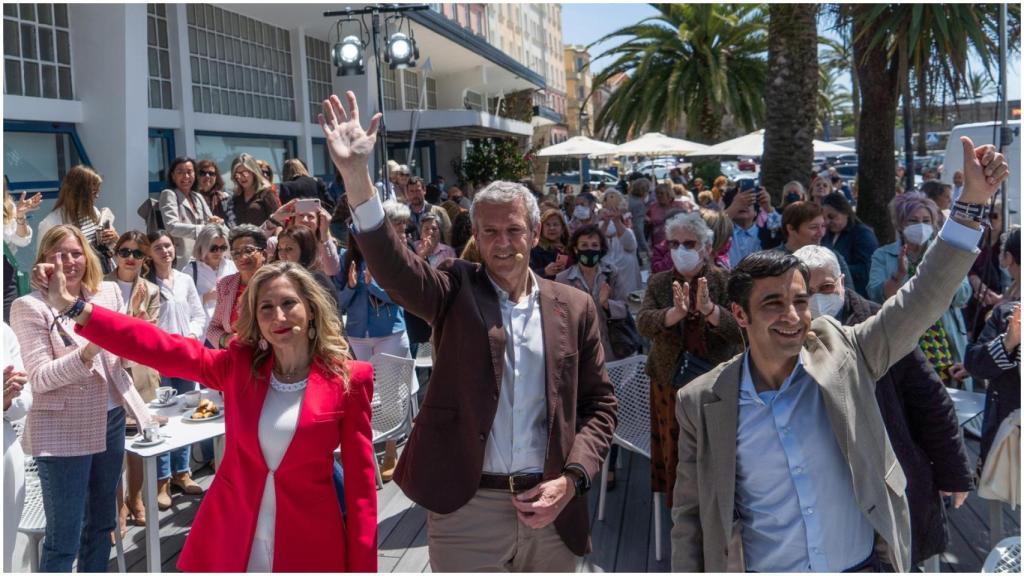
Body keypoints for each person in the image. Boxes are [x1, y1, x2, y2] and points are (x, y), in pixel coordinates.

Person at [669, 136, 1008, 572]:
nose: (793, 316)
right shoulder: (701, 401)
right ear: (739, 313)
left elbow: (922, 298)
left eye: (801, 300)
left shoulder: (843, 350)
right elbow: (690, 518)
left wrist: (971, 205)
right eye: (773, 304)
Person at [320, 91, 616, 571]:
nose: (503, 243)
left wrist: (574, 478)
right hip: (468, 507)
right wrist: (356, 176)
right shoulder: (456, 287)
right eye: (490, 232)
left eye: (514, 231)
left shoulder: (574, 306)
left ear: (535, 235)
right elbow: (396, 269)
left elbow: (599, 405)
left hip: (553, 504)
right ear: (475, 235)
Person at [32, 256, 377, 572]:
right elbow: (159, 346)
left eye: (289, 304)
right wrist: (75, 307)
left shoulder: (349, 379)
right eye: (266, 308)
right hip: (235, 539)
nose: (279, 317)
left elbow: (361, 491)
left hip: (309, 543)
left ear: (311, 308)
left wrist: (364, 567)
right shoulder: (239, 367)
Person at [794, 245, 974, 567]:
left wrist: (953, 472)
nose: (818, 299)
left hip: (890, 471)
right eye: (807, 293)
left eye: (826, 288)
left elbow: (929, 397)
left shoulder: (876, 322)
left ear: (842, 281)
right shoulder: (789, 334)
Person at [10, 225, 152, 572]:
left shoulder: (106, 294)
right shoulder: (29, 306)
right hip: (61, 431)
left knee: (103, 525)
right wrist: (88, 353)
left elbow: (120, 360)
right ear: (43, 259)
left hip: (111, 419)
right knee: (64, 540)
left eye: (75, 252)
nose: (69, 260)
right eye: (59, 253)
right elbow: (40, 378)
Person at [637, 212, 742, 508]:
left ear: (706, 247)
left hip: (716, 385)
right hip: (670, 384)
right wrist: (674, 315)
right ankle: (681, 514)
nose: (680, 250)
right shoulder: (659, 283)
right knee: (677, 452)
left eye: (688, 243)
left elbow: (740, 331)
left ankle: (718, 509)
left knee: (716, 451)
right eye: (674, 243)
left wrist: (711, 311)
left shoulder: (724, 281)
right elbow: (643, 322)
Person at [868, 193, 973, 389]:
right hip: (903, 345)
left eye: (926, 220)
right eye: (913, 220)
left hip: (943, 346)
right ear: (900, 224)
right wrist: (898, 275)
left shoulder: (945, 253)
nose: (921, 225)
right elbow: (876, 297)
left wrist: (944, 270)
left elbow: (963, 295)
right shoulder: (883, 255)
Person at [146, 230, 208, 507]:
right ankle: (162, 479)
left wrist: (193, 336)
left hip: (185, 354)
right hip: (158, 357)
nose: (165, 251)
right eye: (158, 247)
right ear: (150, 252)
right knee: (161, 416)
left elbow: (199, 313)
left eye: (168, 245)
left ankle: (182, 473)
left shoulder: (184, 279)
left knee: (185, 413)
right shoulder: (146, 284)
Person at [107, 231, 162, 531]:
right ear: (115, 254)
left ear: (145, 259)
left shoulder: (152, 290)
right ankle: (117, 506)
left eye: (138, 253)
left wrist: (135, 319)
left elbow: (146, 337)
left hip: (141, 372)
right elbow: (106, 329)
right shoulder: (99, 285)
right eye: (124, 251)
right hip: (111, 371)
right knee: (113, 442)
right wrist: (134, 316)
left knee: (141, 437)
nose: (130, 257)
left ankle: (136, 497)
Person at [964, 227, 1020, 466]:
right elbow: (975, 363)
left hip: (1008, 433)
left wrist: (1007, 344)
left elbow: (976, 363)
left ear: (1007, 258)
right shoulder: (1007, 309)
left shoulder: (1007, 312)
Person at [555, 224, 630, 362]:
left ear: (601, 248)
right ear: (576, 249)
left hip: (611, 347)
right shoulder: (563, 279)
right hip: (579, 349)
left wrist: (606, 304)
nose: (590, 249)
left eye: (594, 245)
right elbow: (558, 317)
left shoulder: (612, 273)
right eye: (584, 245)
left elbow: (624, 308)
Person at [38, 165, 120, 273]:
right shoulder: (51, 223)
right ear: (79, 193)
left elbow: (111, 249)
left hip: (100, 275)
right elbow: (43, 265)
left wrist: (114, 238)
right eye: (94, 192)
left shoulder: (94, 212)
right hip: (73, 281)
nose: (97, 196)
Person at [207, 225, 268, 349]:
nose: (242, 257)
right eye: (236, 253)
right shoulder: (225, 284)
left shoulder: (275, 283)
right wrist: (229, 340)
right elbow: (213, 328)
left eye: (249, 250)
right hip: (236, 356)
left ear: (264, 254)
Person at [3, 321, 31, 572]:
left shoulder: (4, 331)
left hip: (6, 455)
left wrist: (7, 400)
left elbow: (25, 401)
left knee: (5, 556)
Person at [159, 157, 221, 269]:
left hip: (203, 258)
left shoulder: (197, 196)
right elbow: (171, 227)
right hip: (182, 260)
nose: (186, 176)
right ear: (173, 176)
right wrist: (202, 229)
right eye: (180, 172)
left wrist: (216, 222)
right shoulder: (169, 194)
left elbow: (210, 221)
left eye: (189, 172)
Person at [182, 223, 236, 336]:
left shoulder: (231, 266)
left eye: (223, 248)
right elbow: (183, 304)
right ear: (202, 246)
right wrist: (206, 297)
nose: (219, 252)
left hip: (229, 330)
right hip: (203, 332)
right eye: (213, 248)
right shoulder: (190, 270)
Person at [821, 192, 879, 296]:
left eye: (832, 216)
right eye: (824, 218)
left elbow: (867, 270)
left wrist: (835, 268)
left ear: (846, 212)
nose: (827, 222)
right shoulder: (827, 234)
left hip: (858, 294)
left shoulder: (863, 234)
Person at [779, 200, 853, 281]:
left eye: (823, 226)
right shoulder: (773, 261)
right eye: (813, 227)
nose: (821, 233)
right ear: (791, 228)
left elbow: (848, 292)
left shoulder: (833, 257)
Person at [275, 224, 339, 308]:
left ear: (305, 250)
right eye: (280, 249)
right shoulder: (280, 276)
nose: (282, 255)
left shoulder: (317, 280)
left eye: (289, 249)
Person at [4, 184, 42, 321]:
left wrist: (19, 216)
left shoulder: (8, 208)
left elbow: (22, 240)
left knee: (9, 326)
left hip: (6, 278)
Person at [724, 184, 782, 265]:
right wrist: (735, 206)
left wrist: (768, 208)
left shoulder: (765, 233)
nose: (744, 206)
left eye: (749, 202)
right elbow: (713, 227)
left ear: (756, 212)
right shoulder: (724, 233)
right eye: (740, 202)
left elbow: (783, 229)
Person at [600, 191, 643, 293]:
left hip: (627, 282)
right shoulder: (600, 225)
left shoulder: (626, 228)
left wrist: (616, 220)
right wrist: (605, 222)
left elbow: (630, 244)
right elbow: (597, 241)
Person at [231, 153, 281, 228]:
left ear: (254, 172)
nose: (242, 177)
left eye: (246, 172)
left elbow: (279, 222)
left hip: (263, 238)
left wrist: (276, 239)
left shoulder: (266, 193)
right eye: (238, 174)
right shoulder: (236, 197)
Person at [405, 176, 452, 243]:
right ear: (407, 193)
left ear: (424, 190)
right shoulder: (402, 215)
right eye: (411, 191)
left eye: (418, 191)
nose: (415, 194)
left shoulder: (439, 212)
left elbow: (448, 237)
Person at [530, 209, 570, 280]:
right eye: (547, 225)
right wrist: (545, 271)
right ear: (541, 229)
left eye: (555, 224)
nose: (552, 228)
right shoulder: (535, 250)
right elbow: (527, 275)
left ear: (562, 228)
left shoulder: (570, 248)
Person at [646, 182, 687, 248]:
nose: (659, 196)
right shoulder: (653, 206)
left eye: (661, 193)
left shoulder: (678, 205)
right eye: (657, 193)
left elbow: (686, 221)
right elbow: (646, 219)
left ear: (669, 194)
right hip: (658, 242)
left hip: (676, 241)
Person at [196, 159, 235, 227]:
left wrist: (222, 222)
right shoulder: (190, 197)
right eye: (202, 173)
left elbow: (232, 222)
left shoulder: (224, 198)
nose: (207, 176)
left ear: (216, 178)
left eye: (211, 174)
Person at [627, 177, 652, 255]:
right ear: (645, 191)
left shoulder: (627, 198)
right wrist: (647, 250)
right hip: (634, 241)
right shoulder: (639, 204)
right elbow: (638, 230)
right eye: (649, 191)